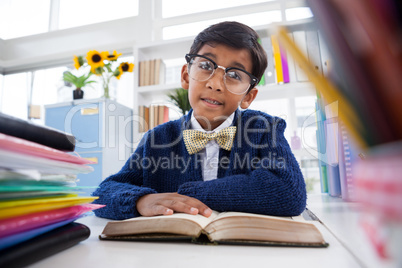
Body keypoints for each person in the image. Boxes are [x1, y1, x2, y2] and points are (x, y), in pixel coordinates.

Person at [92, 21, 306, 220]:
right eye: (206, 65)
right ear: (186, 75)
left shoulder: (263, 128)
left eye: (234, 75)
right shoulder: (157, 138)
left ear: (248, 96)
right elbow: (103, 193)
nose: (216, 84)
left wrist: (187, 194)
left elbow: (289, 191)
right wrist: (140, 200)